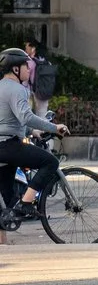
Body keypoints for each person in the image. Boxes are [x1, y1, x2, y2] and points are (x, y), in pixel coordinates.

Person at [0, 48, 61, 231]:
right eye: (26, 65)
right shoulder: (18, 89)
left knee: (7, 200)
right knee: (50, 162)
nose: (29, 69)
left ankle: (4, 242)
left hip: (3, 147)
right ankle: (27, 202)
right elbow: (25, 116)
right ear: (15, 69)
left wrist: (31, 132)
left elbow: (9, 119)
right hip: (8, 146)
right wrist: (53, 127)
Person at [23, 39, 55, 119]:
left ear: (33, 49)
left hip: (30, 92)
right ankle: (42, 130)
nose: (25, 50)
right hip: (44, 91)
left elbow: (25, 80)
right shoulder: (47, 62)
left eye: (27, 47)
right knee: (42, 115)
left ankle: (31, 131)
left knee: (27, 115)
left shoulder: (30, 62)